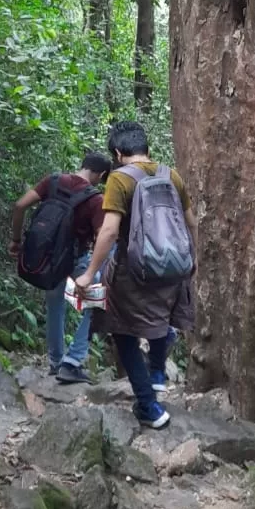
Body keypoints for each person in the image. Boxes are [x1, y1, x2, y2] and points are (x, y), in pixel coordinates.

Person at [76, 121, 197, 428]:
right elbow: (191, 222)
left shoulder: (119, 179)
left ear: (117, 152)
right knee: (164, 320)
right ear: (147, 148)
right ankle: (157, 373)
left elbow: (109, 231)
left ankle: (149, 407)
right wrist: (189, 259)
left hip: (135, 271)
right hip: (174, 269)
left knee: (122, 332)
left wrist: (89, 273)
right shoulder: (171, 174)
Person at [10, 151, 111, 383]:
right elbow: (102, 237)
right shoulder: (95, 199)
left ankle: (56, 363)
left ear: (83, 164)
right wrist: (90, 272)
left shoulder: (53, 181)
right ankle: (73, 361)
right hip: (76, 260)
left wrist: (16, 240)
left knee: (55, 308)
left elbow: (19, 205)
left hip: (48, 260)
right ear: (101, 174)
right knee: (97, 304)